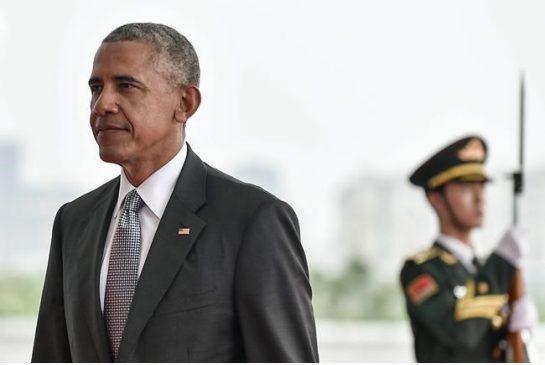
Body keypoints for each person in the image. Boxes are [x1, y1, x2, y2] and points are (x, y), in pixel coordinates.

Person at [31, 22, 319, 362]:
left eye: (126, 86)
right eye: (96, 88)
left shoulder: (252, 220)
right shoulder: (74, 221)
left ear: (184, 103)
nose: (102, 104)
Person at [400, 135, 537, 362]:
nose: (479, 197)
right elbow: (461, 334)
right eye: (466, 187)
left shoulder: (484, 270)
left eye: (481, 186)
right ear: (436, 199)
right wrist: (501, 264)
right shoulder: (421, 270)